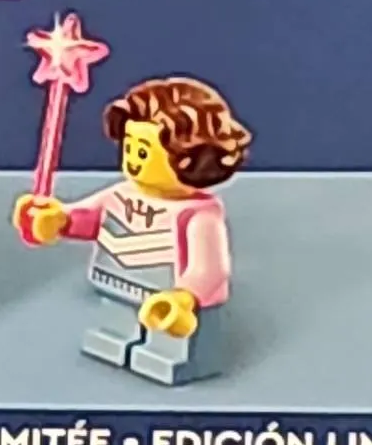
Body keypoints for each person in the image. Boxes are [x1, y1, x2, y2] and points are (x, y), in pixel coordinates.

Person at [14, 73, 247, 383]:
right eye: (130, 147)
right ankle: (115, 339)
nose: (133, 160)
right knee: (117, 320)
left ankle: (172, 358)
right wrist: (58, 219)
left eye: (144, 151)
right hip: (120, 280)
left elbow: (209, 268)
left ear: (189, 159)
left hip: (168, 296)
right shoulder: (121, 194)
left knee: (170, 341)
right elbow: (90, 217)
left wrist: (185, 296)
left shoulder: (198, 215)